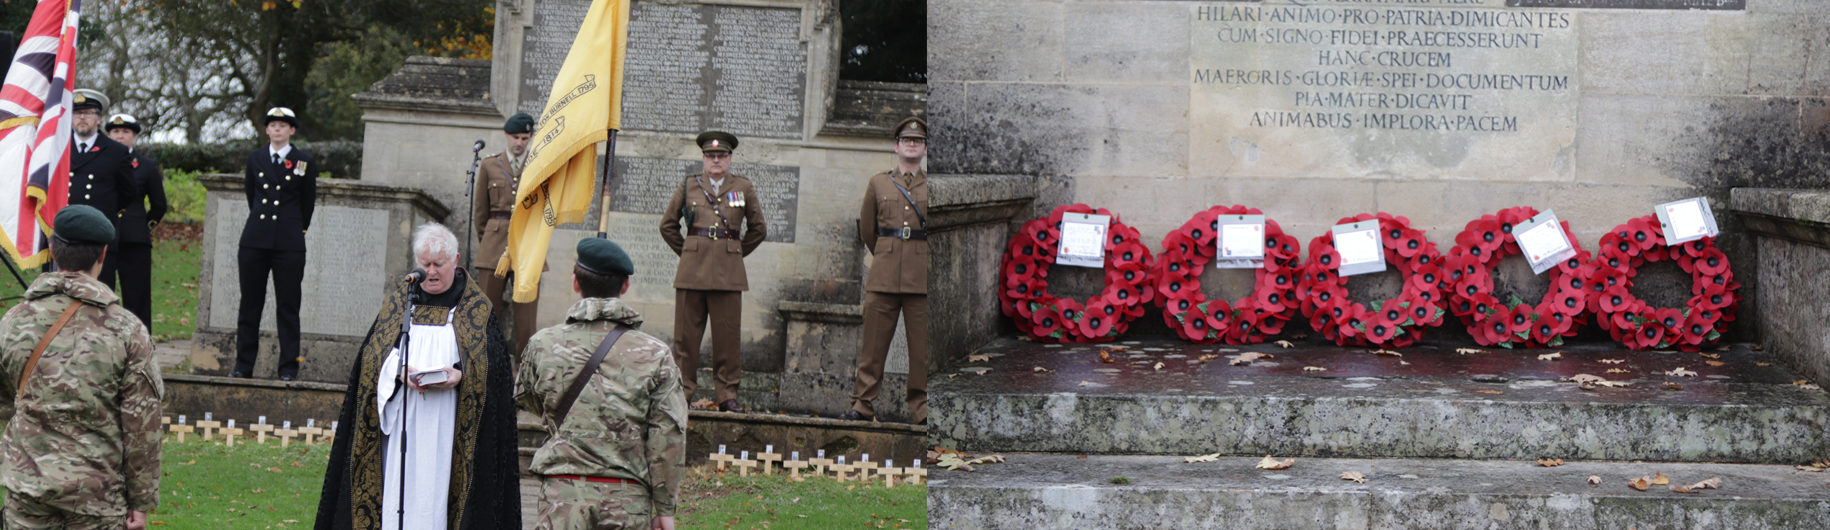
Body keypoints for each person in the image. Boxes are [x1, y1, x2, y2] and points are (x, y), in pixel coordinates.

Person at [316, 223, 521, 530]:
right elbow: (371, 358)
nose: (431, 272)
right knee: (399, 488)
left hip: (450, 426)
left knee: (436, 493)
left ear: (456, 260)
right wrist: (396, 371)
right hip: (402, 421)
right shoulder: (401, 302)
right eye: (425, 264)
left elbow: (494, 369)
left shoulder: (476, 308)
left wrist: (461, 375)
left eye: (439, 264)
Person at [0, 205, 161, 529]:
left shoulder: (13, 321)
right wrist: (141, 501)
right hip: (98, 499)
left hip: (28, 493)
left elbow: (4, 403)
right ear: (103, 254)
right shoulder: (127, 330)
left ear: (52, 249)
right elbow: (141, 424)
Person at [517, 237, 686, 530]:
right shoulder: (656, 354)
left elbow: (530, 400)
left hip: (562, 497)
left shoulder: (542, 344)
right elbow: (668, 436)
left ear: (575, 282)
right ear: (625, 286)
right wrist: (665, 508)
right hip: (627, 499)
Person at [658, 131, 766, 412]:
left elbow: (759, 229)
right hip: (691, 273)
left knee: (727, 339)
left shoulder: (743, 187)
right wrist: (688, 252)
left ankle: (727, 395)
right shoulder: (689, 185)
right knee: (685, 339)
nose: (716, 160)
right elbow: (667, 225)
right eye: (710, 156)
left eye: (721, 155)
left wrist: (735, 252)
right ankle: (682, 392)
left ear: (730, 159)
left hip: (727, 275)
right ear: (703, 159)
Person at [839, 117, 931, 425]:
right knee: (873, 346)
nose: (911, 144)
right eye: (906, 140)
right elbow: (868, 229)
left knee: (921, 351)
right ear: (896, 146)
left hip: (921, 278)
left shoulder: (931, 186)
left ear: (925, 148)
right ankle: (863, 404)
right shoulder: (879, 183)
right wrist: (885, 254)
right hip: (884, 276)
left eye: (917, 140)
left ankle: (922, 409)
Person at [232, 107, 318, 381]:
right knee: (250, 305)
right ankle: (243, 366)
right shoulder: (256, 158)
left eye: (283, 125)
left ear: (291, 130)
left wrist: (295, 228)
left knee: (288, 306)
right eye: (273, 125)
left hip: (288, 242)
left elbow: (307, 203)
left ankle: (288, 368)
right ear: (267, 130)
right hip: (255, 240)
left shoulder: (303, 161)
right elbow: (252, 195)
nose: (277, 129)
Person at [472, 112, 541, 359]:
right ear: (506, 135)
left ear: (530, 138)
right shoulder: (489, 164)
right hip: (494, 247)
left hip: (527, 245)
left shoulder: (539, 163)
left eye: (524, 138)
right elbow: (481, 212)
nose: (519, 142)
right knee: (487, 313)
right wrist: (489, 242)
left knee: (527, 319)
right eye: (515, 137)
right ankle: (486, 365)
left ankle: (523, 369)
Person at [63, 89, 138, 285]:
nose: (82, 118)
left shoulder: (116, 151)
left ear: (98, 119)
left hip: (98, 234)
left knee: (98, 293)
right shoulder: (58, 146)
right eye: (77, 113)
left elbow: (128, 191)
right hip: (64, 233)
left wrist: (106, 212)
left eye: (88, 113)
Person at [104, 113, 168, 329]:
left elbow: (159, 205)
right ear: (108, 135)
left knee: (137, 296)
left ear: (134, 136)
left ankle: (140, 342)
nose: (120, 136)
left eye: (126, 132)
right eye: (115, 131)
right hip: (104, 237)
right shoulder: (100, 162)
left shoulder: (147, 166)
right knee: (101, 292)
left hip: (134, 240)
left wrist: (142, 227)